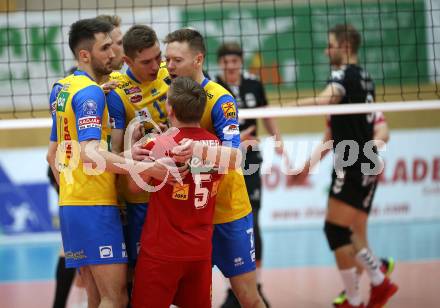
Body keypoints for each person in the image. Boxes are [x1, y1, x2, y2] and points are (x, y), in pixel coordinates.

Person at [46, 18, 184, 308]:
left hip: (72, 204)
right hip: (97, 205)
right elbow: (90, 154)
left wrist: (74, 194)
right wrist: (143, 166)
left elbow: (52, 155)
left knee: (96, 298)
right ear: (85, 55)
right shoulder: (91, 94)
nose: (114, 54)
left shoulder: (62, 88)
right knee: (116, 298)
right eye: (105, 47)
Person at [287, 24, 398, 308]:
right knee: (348, 231)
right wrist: (306, 167)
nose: (326, 51)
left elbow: (328, 97)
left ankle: (375, 283)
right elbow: (332, 134)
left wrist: (287, 106)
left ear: (345, 46)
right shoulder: (365, 78)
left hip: (351, 163)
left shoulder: (342, 76)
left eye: (330, 44)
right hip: (361, 162)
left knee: (337, 230)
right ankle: (360, 292)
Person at [164, 29, 266, 308]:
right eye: (167, 59)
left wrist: (195, 150)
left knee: (248, 297)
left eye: (176, 60)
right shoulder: (167, 87)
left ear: (198, 60)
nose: (169, 66)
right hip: (189, 216)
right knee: (191, 300)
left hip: (226, 212)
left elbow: (234, 157)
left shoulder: (221, 100)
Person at [130, 76, 222, 307]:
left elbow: (133, 188)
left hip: (162, 251)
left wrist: (134, 144)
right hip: (200, 251)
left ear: (169, 109)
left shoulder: (157, 144)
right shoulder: (217, 147)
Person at [215, 41, 286, 307]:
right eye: (226, 62)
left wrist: (280, 144)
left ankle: (255, 285)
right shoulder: (213, 86)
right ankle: (232, 290)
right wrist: (236, 139)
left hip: (251, 160)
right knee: (227, 222)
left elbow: (266, 115)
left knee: (253, 222)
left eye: (235, 62)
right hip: (225, 159)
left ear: (241, 62)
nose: (231, 66)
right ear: (220, 63)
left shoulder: (254, 84)